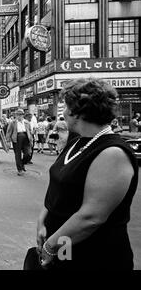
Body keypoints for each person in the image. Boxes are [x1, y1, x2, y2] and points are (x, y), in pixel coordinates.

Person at [36, 78, 138, 270]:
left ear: (77, 112)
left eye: (65, 107)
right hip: (65, 245)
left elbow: (91, 217)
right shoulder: (78, 141)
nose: (63, 113)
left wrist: (50, 246)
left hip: (94, 254)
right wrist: (43, 220)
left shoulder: (112, 153)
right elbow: (59, 189)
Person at [6, 109, 34, 176]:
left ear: (23, 115)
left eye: (20, 115)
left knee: (28, 154)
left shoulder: (27, 122)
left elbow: (30, 132)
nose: (19, 116)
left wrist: (31, 140)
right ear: (15, 115)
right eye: (17, 115)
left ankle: (22, 163)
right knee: (18, 154)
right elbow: (9, 132)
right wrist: (8, 141)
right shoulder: (12, 123)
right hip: (17, 138)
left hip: (26, 138)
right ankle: (20, 169)